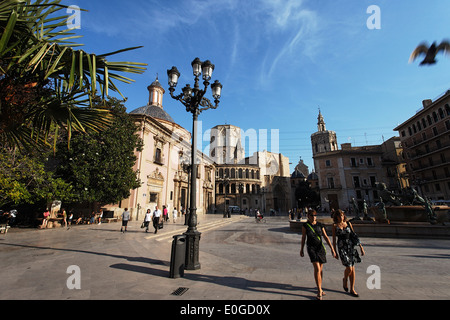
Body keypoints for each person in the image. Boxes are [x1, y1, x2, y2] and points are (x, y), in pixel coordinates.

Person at [300, 210, 336, 300]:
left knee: (320, 270)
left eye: (315, 215)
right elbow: (303, 237)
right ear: (308, 216)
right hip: (311, 248)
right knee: (317, 268)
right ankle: (319, 290)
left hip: (320, 248)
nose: (314, 217)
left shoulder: (320, 225)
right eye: (312, 215)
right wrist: (301, 249)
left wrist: (332, 249)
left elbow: (326, 237)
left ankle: (319, 286)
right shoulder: (305, 225)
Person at [332, 209, 365, 297]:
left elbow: (354, 235)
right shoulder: (335, 226)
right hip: (342, 248)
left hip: (350, 246)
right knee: (349, 268)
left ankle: (352, 289)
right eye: (339, 216)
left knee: (353, 269)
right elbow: (334, 239)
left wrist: (361, 247)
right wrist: (334, 250)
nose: (341, 217)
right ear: (336, 217)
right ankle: (345, 279)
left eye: (342, 215)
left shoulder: (348, 223)